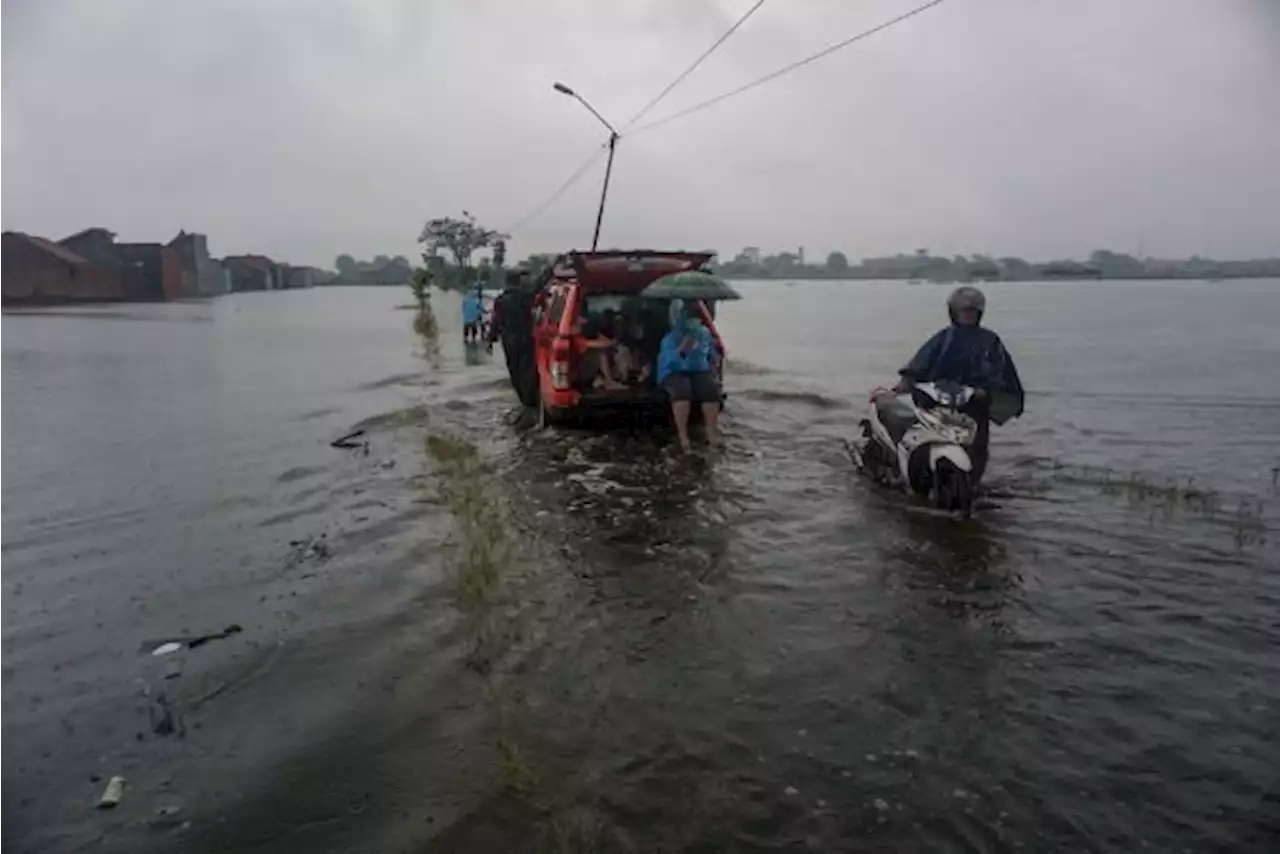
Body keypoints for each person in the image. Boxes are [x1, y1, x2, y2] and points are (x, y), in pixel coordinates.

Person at [893, 286, 1024, 483]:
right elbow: (921, 363)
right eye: (964, 311)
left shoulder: (990, 341)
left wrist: (988, 391)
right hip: (939, 404)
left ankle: (973, 483)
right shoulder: (944, 338)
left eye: (972, 312)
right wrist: (905, 382)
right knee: (921, 437)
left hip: (973, 408)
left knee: (977, 449)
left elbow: (1001, 373)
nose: (968, 316)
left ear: (979, 313)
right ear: (954, 312)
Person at [657, 298, 721, 452]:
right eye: (691, 317)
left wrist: (715, 362)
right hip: (673, 372)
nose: (695, 321)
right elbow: (668, 363)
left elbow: (710, 356)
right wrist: (682, 349)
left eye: (698, 318)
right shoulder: (671, 338)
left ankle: (711, 434)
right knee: (682, 392)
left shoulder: (705, 334)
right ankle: (683, 436)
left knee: (711, 392)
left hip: (699, 371)